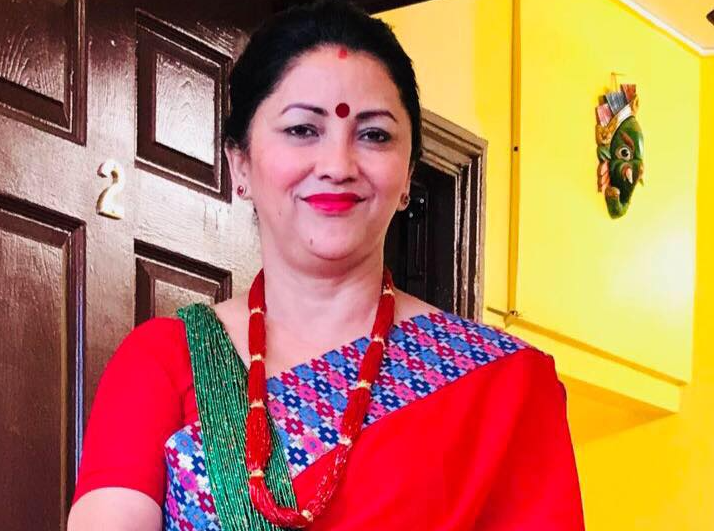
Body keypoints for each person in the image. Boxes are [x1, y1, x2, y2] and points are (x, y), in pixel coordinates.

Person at [67, 1, 585, 529]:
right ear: (240, 164)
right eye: (302, 130)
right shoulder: (162, 362)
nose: (338, 165)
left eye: (374, 134)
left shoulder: (506, 387)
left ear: (408, 175)